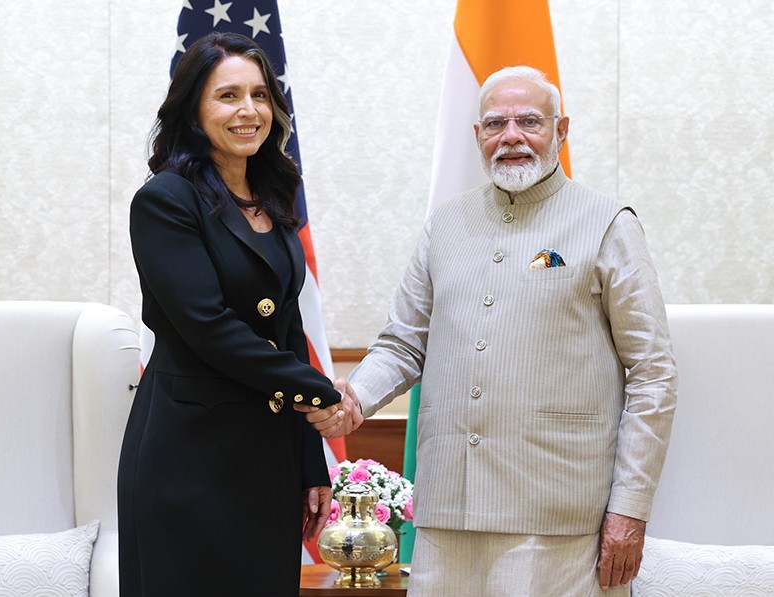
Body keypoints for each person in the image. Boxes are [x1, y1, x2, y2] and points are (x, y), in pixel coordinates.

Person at [299, 66, 677, 596]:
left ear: (561, 131)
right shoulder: (445, 224)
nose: (512, 136)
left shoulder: (608, 223)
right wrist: (355, 394)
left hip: (560, 516)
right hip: (448, 511)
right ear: (478, 136)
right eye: (496, 123)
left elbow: (653, 374)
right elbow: (405, 341)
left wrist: (629, 510)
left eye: (530, 121)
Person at [117, 32, 344, 597]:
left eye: (261, 95)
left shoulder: (274, 196)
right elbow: (209, 327)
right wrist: (325, 394)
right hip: (189, 457)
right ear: (193, 108)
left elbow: (285, 329)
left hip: (266, 460)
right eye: (228, 96)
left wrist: (310, 464)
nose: (249, 111)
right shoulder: (166, 200)